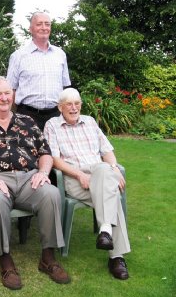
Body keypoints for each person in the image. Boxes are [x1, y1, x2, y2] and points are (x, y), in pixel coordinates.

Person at [0, 76, 70, 290]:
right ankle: (5, 259)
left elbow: (45, 152)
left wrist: (43, 172)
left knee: (51, 194)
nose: (4, 98)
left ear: (13, 95)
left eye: (7, 93)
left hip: (29, 178)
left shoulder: (27, 122)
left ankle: (48, 257)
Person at [44, 88, 131, 280]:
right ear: (60, 107)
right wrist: (79, 174)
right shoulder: (52, 125)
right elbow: (54, 159)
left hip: (99, 174)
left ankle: (106, 230)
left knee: (103, 169)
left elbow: (106, 150)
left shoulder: (90, 122)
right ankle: (116, 257)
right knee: (112, 194)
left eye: (77, 103)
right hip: (74, 178)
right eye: (69, 104)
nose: (74, 108)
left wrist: (115, 166)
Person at [7, 11, 71, 130]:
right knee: (26, 149)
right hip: (27, 116)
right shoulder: (18, 56)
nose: (44, 27)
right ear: (30, 29)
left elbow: (65, 87)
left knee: (54, 149)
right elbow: (11, 90)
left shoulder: (60, 54)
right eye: (39, 24)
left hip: (56, 116)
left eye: (47, 24)